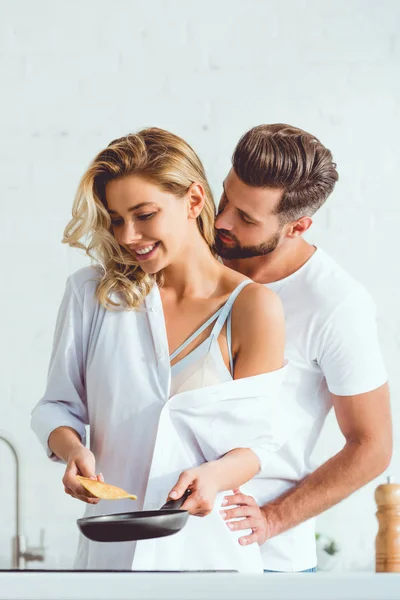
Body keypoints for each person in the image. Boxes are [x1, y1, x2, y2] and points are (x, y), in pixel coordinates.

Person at [31, 127, 302, 572]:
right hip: (110, 552)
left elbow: (257, 445)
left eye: (144, 214)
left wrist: (214, 476)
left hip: (211, 556)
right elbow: (54, 408)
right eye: (117, 219)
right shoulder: (92, 294)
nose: (129, 235)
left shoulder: (252, 307)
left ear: (194, 201)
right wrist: (72, 450)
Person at [215, 123, 392, 573]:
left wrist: (273, 520)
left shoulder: (336, 304)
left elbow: (371, 446)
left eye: (246, 218)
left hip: (266, 562)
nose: (221, 222)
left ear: (298, 226)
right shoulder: (201, 258)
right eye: (225, 198)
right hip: (174, 549)